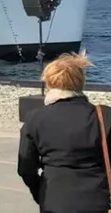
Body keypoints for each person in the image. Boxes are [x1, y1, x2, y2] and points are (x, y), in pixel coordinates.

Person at [17, 53, 111, 213]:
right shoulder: (104, 116)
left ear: (49, 83)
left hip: (55, 199)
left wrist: (40, 192)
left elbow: (26, 167)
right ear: (80, 82)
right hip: (98, 199)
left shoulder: (36, 118)